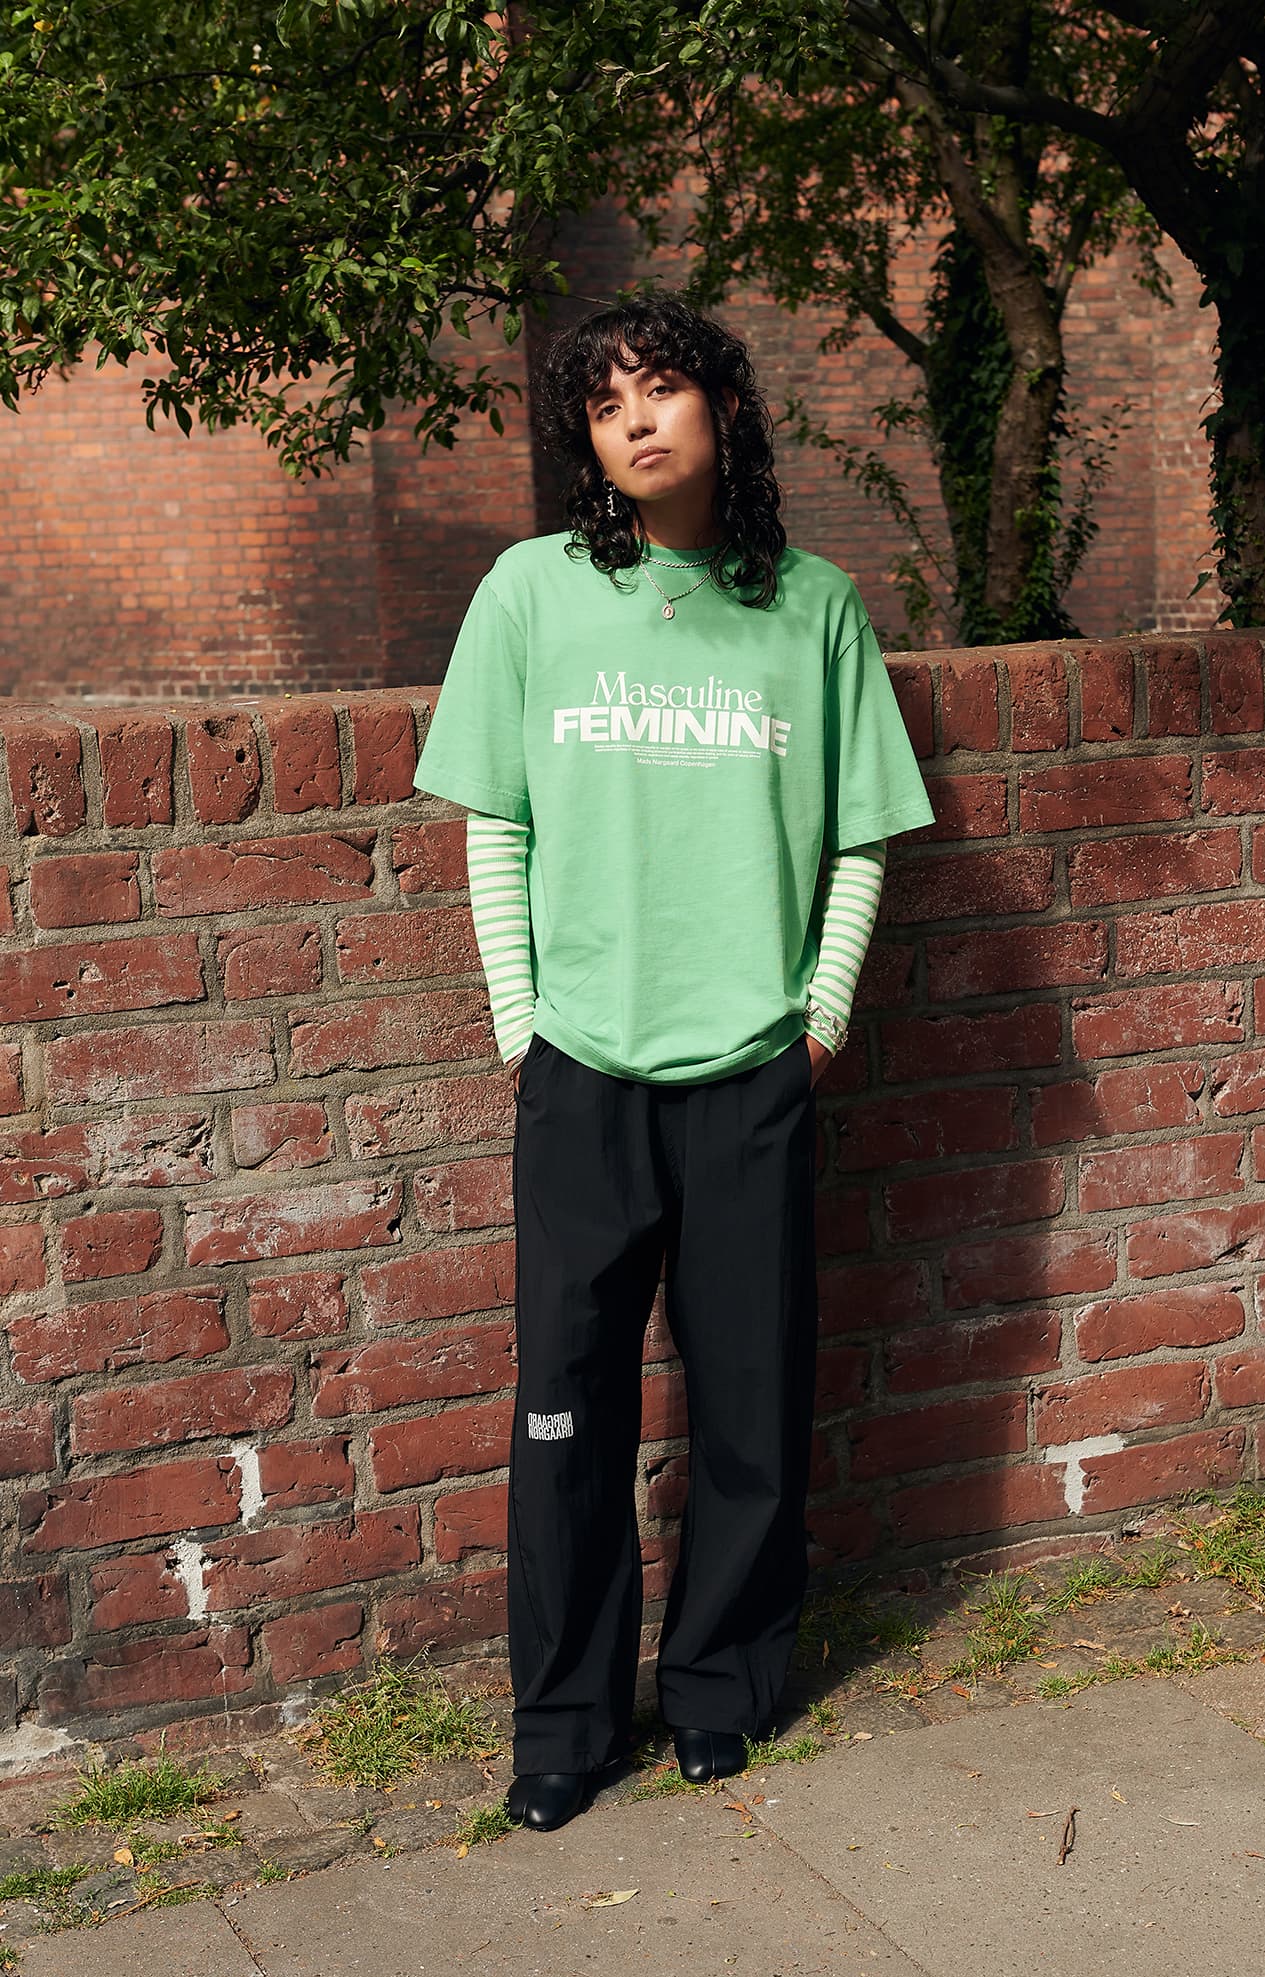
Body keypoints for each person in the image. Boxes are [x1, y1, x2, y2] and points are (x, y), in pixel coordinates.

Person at [411, 288, 935, 1833]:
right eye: (604, 403)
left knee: (753, 1406)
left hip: (755, 1071)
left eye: (663, 389)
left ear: (726, 408)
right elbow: (495, 824)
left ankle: (720, 1686)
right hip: (582, 1070)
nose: (636, 420)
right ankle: (564, 1721)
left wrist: (819, 1018)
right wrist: (522, 1027)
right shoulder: (531, 595)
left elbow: (858, 835)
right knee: (565, 1407)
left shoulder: (814, 608)